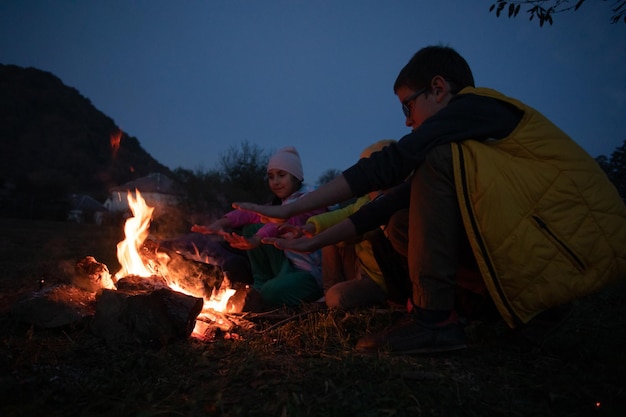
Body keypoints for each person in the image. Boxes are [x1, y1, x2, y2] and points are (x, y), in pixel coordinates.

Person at [233, 45, 626, 354]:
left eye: (408, 106)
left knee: (427, 163)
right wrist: (315, 238)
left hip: (579, 244)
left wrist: (292, 208)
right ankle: (533, 315)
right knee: (404, 210)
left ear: (438, 89)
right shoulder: (472, 148)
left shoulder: (477, 106)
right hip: (555, 252)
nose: (407, 121)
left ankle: (434, 322)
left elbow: (393, 163)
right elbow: (391, 200)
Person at [269, 139, 411, 310]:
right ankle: (327, 293)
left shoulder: (396, 202)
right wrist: (310, 228)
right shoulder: (365, 199)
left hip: (383, 279)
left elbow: (360, 227)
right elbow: (345, 214)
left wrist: (320, 238)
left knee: (338, 297)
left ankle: (348, 301)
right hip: (361, 268)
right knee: (329, 233)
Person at [193, 146, 326, 308]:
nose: (275, 182)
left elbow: (280, 223)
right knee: (251, 227)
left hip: (309, 274)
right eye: (271, 177)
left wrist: (257, 239)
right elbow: (251, 214)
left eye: (281, 175)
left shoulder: (310, 200)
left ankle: (268, 294)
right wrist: (220, 223)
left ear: (296, 177)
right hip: (287, 265)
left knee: (270, 292)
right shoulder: (280, 203)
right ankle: (260, 283)